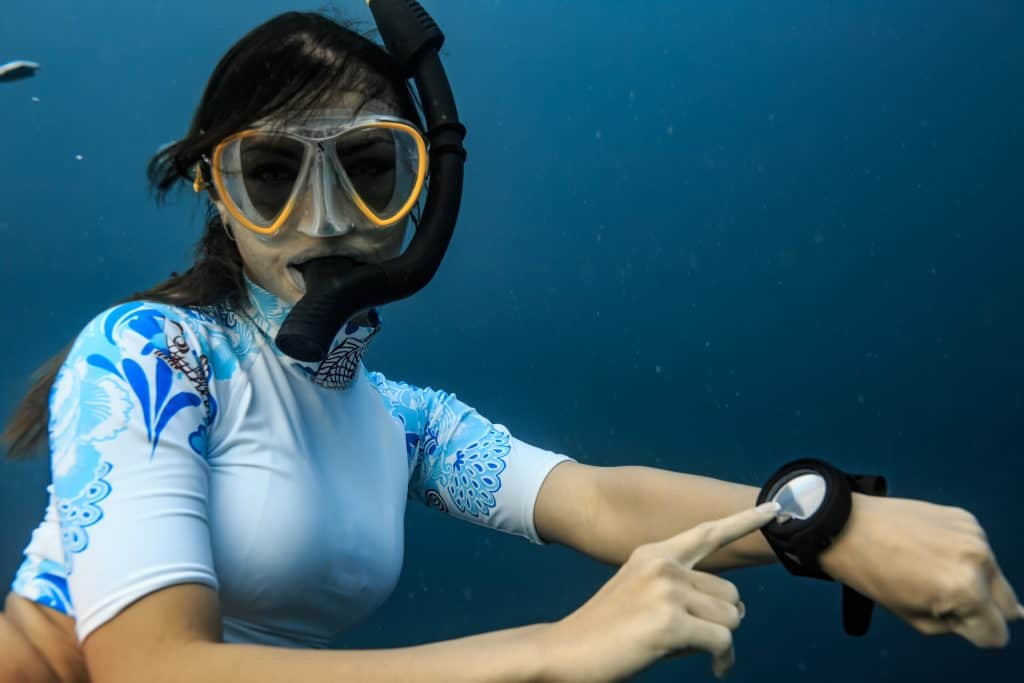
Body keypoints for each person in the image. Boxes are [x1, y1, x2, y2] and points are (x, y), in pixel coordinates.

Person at [1, 9, 1020, 683]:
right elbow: (152, 666)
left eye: (369, 168)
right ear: (217, 199)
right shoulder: (150, 353)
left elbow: (596, 497)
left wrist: (832, 519)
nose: (325, 219)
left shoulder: (398, 420)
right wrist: (555, 644)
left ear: (423, 193)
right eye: (270, 175)